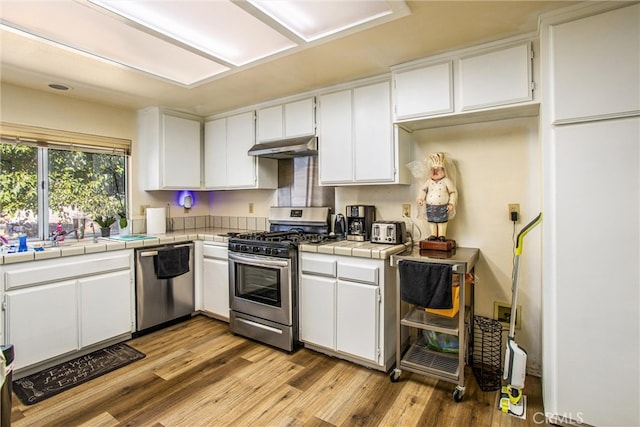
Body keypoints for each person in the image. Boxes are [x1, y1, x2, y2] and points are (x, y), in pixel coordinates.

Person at [417, 152, 458, 241]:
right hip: (430, 206)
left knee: (442, 222)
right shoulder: (428, 181)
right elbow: (423, 190)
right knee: (432, 221)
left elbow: (452, 192)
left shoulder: (446, 181)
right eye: (433, 170)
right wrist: (420, 198)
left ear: (443, 170)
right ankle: (433, 234)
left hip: (442, 206)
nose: (435, 172)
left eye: (438, 170)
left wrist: (451, 203)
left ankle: (441, 235)